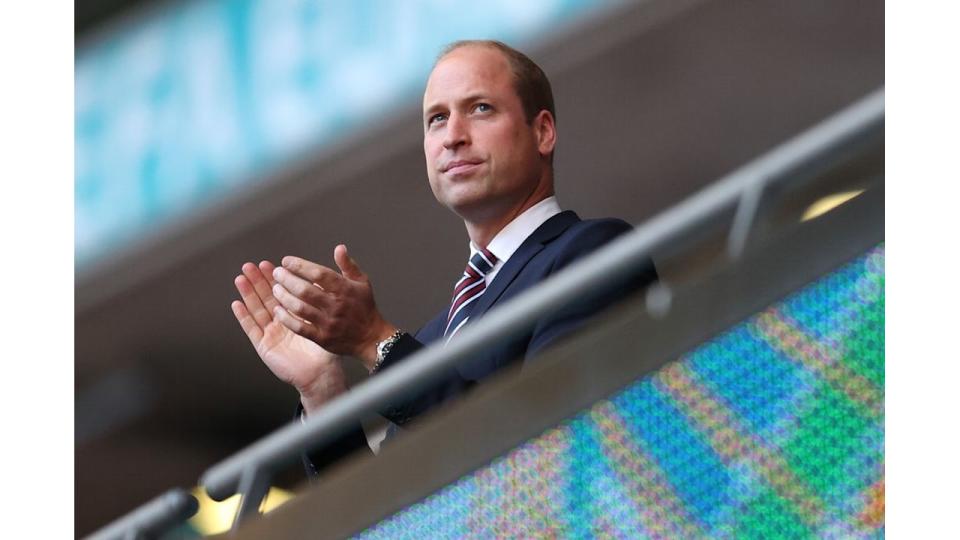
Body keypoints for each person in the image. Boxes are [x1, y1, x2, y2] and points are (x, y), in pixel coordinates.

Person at [230, 40, 657, 470]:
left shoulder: (593, 251)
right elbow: (384, 518)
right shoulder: (430, 340)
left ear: (542, 131)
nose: (453, 136)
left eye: (480, 109)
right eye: (437, 119)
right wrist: (323, 392)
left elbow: (546, 452)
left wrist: (372, 340)